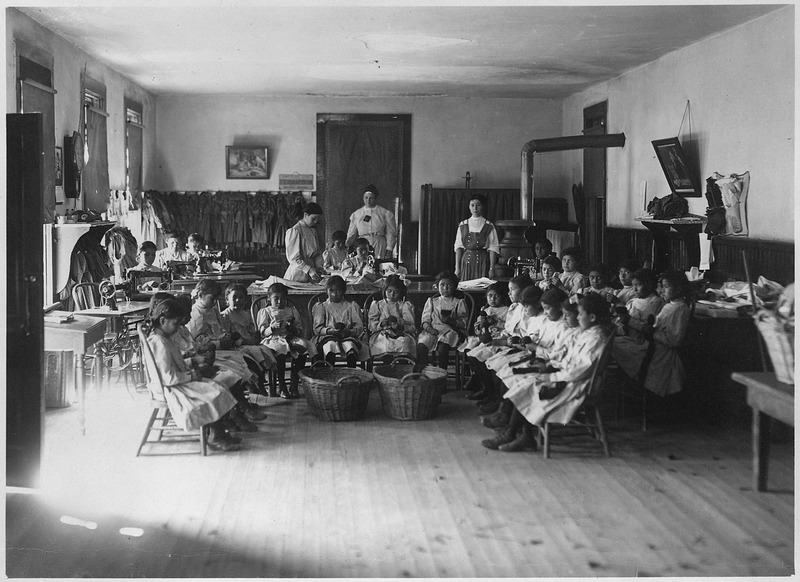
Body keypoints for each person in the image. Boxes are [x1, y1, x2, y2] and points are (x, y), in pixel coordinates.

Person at [483, 293, 612, 452]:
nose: (577, 318)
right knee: (527, 380)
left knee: (530, 384)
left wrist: (552, 374)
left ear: (592, 317)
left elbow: (581, 369)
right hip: (569, 375)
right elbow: (568, 358)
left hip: (577, 384)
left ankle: (514, 433)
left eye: (580, 314)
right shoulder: (585, 333)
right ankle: (521, 433)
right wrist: (550, 366)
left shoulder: (596, 338)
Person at [145, 298, 241, 451]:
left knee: (218, 385)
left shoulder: (163, 338)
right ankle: (216, 435)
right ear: (162, 320)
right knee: (215, 392)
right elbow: (166, 377)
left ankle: (218, 432)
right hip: (170, 388)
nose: (177, 328)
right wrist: (191, 376)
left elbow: (175, 364)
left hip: (176, 382)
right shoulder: (159, 342)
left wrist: (193, 368)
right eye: (175, 324)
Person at [612, 270, 692, 396]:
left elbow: (674, 340)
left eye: (666, 287)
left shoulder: (681, 309)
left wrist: (649, 330)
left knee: (613, 345)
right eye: (661, 287)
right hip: (650, 345)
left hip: (659, 354)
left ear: (679, 289)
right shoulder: (670, 305)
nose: (661, 290)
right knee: (612, 342)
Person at [256, 283, 314, 399]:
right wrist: (271, 328)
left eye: (283, 298)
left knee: (304, 347)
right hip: (272, 339)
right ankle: (282, 385)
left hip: (290, 337)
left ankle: (294, 384)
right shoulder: (265, 311)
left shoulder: (291, 310)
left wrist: (292, 328)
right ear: (269, 299)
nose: (279, 301)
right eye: (276, 298)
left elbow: (299, 329)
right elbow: (262, 332)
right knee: (280, 351)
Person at [220, 283, 276, 394]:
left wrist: (255, 337)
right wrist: (245, 341)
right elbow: (229, 337)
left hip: (249, 342)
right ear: (227, 300)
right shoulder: (225, 316)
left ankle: (259, 380)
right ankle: (252, 382)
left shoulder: (246, 314)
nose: (238, 300)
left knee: (264, 350)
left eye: (241, 298)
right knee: (253, 352)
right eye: (234, 297)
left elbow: (251, 330)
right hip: (237, 345)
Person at [312, 275, 369, 368]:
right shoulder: (322, 307)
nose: (334, 294)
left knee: (350, 345)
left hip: (347, 336)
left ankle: (351, 372)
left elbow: (359, 326)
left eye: (338, 290)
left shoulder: (351, 306)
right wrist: (329, 331)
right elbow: (317, 328)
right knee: (330, 346)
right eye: (331, 290)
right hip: (328, 337)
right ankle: (330, 372)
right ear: (327, 291)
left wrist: (349, 331)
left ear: (343, 291)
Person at [416, 271, 469, 371]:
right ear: (437, 286)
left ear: (455, 286)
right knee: (421, 346)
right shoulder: (432, 301)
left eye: (449, 285)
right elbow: (425, 319)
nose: (445, 288)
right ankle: (424, 373)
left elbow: (464, 322)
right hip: (432, 330)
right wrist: (428, 328)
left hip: (449, 331)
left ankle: (442, 373)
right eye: (442, 285)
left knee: (442, 348)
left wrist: (452, 321)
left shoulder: (458, 302)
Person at [367, 274, 417, 364]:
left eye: (396, 292)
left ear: (401, 292)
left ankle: (402, 368)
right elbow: (372, 324)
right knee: (385, 344)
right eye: (389, 291)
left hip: (401, 333)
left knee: (404, 343)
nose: (392, 294)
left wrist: (400, 325)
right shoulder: (378, 305)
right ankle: (386, 369)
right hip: (382, 333)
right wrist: (381, 324)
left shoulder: (404, 305)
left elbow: (411, 326)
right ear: (384, 289)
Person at [453, 193, 500, 280]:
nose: (475, 208)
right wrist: (457, 268)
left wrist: (491, 268)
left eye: (478, 205)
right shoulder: (463, 225)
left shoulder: (489, 225)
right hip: (467, 261)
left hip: (483, 261)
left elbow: (493, 248)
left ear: (482, 206)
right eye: (472, 205)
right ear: (469, 207)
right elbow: (459, 247)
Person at [345, 184, 397, 259]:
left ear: (376, 198)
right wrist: (348, 244)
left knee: (377, 264)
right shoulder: (357, 214)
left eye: (371, 198)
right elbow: (351, 232)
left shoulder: (385, 213)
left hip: (378, 243)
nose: (368, 200)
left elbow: (391, 232)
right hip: (362, 243)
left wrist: (389, 249)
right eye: (366, 198)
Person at [613, 268, 663, 340]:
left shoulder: (656, 302)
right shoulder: (634, 301)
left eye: (638, 285)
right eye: (633, 285)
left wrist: (629, 320)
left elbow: (650, 329)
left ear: (649, 284)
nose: (634, 289)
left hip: (640, 341)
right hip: (626, 335)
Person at [459, 283, 509, 353]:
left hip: (499, 336)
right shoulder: (485, 310)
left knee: (488, 349)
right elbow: (477, 331)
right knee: (473, 347)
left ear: (502, 297)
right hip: (484, 336)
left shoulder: (507, 310)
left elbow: (509, 327)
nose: (492, 299)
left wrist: (496, 322)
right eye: (490, 295)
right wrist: (481, 326)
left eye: (497, 296)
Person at [284, 202, 325, 282]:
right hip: (298, 272)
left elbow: (317, 254)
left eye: (318, 219)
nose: (316, 222)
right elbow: (293, 259)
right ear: (305, 215)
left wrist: (319, 267)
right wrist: (309, 270)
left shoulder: (313, 230)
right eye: (313, 218)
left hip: (312, 272)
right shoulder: (295, 231)